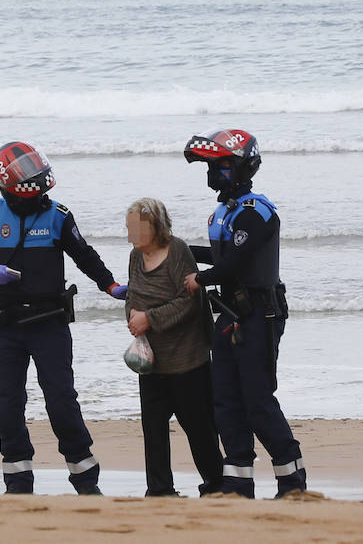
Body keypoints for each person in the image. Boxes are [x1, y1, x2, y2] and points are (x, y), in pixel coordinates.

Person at [0, 141, 127, 495]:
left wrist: (110, 285)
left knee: (60, 401)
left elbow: (85, 255)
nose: (35, 190)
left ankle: (85, 479)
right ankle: (18, 483)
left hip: (49, 324)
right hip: (5, 326)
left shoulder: (58, 215)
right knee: (7, 404)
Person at [182, 129, 308, 498]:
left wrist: (198, 279)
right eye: (211, 166)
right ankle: (237, 484)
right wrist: (173, 249)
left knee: (257, 400)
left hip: (260, 316)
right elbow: (219, 257)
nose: (214, 173)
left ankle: (292, 482)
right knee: (225, 400)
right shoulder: (222, 212)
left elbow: (233, 265)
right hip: (229, 316)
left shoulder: (258, 211)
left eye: (221, 165)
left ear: (242, 166)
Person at [123, 197, 223, 497]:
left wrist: (149, 319)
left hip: (186, 360)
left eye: (138, 228)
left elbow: (190, 302)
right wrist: (131, 316)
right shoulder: (134, 256)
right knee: (153, 430)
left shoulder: (177, 250)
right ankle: (159, 490)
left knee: (199, 428)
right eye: (129, 229)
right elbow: (132, 294)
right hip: (151, 362)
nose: (132, 235)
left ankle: (216, 485)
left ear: (156, 227)